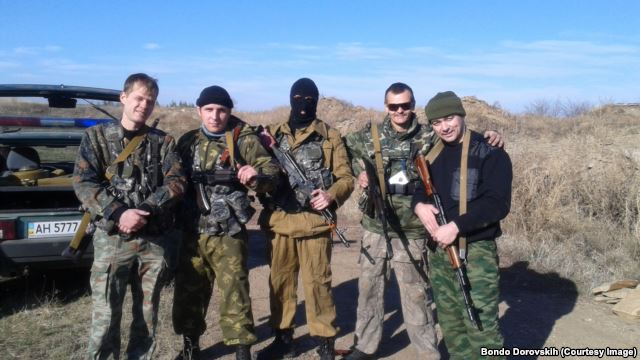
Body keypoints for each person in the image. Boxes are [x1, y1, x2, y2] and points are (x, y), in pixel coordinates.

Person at [344, 83, 503, 360]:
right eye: (393, 106)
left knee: (416, 296)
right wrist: (359, 173)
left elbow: (463, 139)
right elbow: (340, 154)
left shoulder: (432, 136)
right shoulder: (369, 136)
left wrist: (492, 137)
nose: (399, 111)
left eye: (405, 105)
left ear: (413, 105)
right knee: (369, 290)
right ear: (386, 107)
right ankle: (364, 346)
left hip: (417, 231)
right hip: (376, 227)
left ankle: (427, 352)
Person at [73, 73, 186, 359]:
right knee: (105, 316)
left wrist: (145, 210)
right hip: (113, 241)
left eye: (150, 101)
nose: (144, 105)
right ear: (123, 98)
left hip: (152, 240)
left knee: (147, 315)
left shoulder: (164, 142)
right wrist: (119, 212)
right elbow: (84, 182)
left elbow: (177, 182)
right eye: (139, 98)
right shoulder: (96, 137)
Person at [171, 85, 280, 360]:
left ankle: (242, 350)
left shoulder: (243, 139)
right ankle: (190, 346)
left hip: (228, 232)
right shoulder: (187, 141)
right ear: (199, 111)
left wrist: (256, 176)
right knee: (189, 291)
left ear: (229, 111)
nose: (215, 116)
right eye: (208, 110)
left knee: (236, 293)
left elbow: (272, 172)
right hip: (193, 230)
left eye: (221, 110)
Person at [256, 77, 354, 360]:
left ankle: (324, 343)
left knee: (318, 285)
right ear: (291, 99)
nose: (304, 105)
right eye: (299, 99)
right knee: (281, 283)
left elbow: (345, 177)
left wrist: (332, 195)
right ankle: (283, 339)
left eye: (310, 100)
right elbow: (257, 169)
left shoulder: (330, 136)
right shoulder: (272, 134)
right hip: (281, 222)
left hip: (315, 224)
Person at [413, 91, 512, 360]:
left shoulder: (490, 151)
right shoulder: (432, 152)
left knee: (480, 327)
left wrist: (455, 227)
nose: (444, 127)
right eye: (436, 122)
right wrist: (419, 205)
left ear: (462, 115)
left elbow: (497, 204)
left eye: (449, 118)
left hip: (475, 251)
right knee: (452, 324)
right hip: (440, 253)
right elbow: (419, 188)